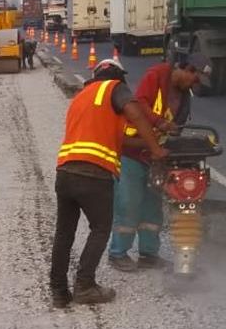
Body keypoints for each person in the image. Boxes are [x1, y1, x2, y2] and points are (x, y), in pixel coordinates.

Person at [50, 58, 166, 307]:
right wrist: (156, 148)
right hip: (94, 174)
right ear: (117, 76)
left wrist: (146, 144)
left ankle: (59, 291)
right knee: (100, 229)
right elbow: (135, 112)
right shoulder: (113, 87)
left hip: (65, 172)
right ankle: (85, 286)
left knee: (64, 233)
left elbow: (121, 141)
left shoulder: (83, 98)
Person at [108, 56, 211, 271]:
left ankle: (148, 254)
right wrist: (160, 123)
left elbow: (178, 124)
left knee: (152, 207)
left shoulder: (184, 95)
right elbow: (141, 102)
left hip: (156, 156)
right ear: (185, 68)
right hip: (131, 152)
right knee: (129, 203)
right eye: (194, 79)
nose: (194, 85)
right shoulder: (157, 74)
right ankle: (118, 253)